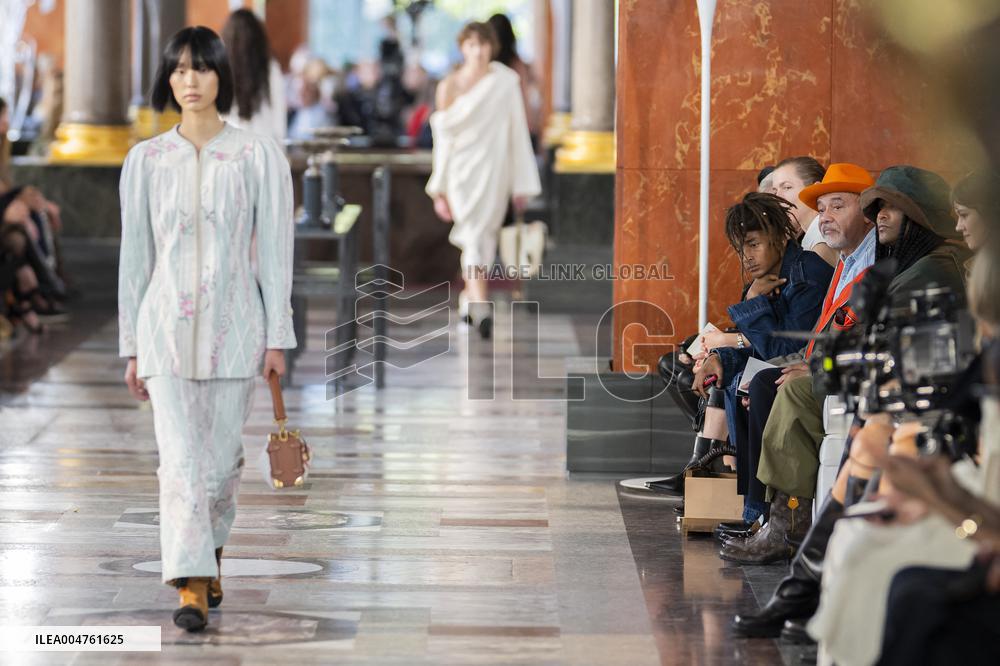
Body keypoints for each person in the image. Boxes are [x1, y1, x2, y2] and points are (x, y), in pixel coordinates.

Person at [118, 26, 296, 632]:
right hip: (163, 331)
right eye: (177, 70)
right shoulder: (145, 160)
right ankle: (190, 584)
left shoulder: (257, 155)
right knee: (180, 463)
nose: (187, 81)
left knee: (220, 465)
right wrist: (131, 346)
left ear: (222, 74)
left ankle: (210, 555)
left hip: (236, 329)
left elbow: (275, 253)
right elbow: (135, 258)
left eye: (199, 69)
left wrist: (278, 337)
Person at [718, 163, 877, 562]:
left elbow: (783, 343)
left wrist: (754, 301)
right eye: (821, 209)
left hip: (840, 370)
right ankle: (766, 518)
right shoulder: (844, 261)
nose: (824, 218)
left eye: (836, 206)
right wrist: (720, 356)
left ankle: (778, 522)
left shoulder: (808, 270)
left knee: (761, 383)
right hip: (819, 364)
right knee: (740, 379)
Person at [425, 22, 540, 339]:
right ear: (462, 47)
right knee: (474, 237)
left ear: (493, 48)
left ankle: (469, 300)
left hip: (495, 170)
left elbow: (518, 132)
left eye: (484, 45)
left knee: (483, 240)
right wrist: (440, 189)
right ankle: (482, 304)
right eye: (472, 45)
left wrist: (521, 184)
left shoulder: (505, 82)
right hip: (461, 173)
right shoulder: (449, 85)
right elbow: (443, 141)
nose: (478, 51)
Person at [221, 8, 287, 143]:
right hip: (264, 144)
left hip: (228, 144)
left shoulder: (218, 67)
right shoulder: (270, 67)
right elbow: (279, 114)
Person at [768, 156, 839, 266]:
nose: (777, 197)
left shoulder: (821, 243)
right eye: (775, 191)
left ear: (814, 190)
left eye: (787, 187)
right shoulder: (812, 238)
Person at [487, 13, 542, 144]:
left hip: (492, 128)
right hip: (517, 125)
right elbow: (525, 97)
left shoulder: (487, 67)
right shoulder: (518, 65)